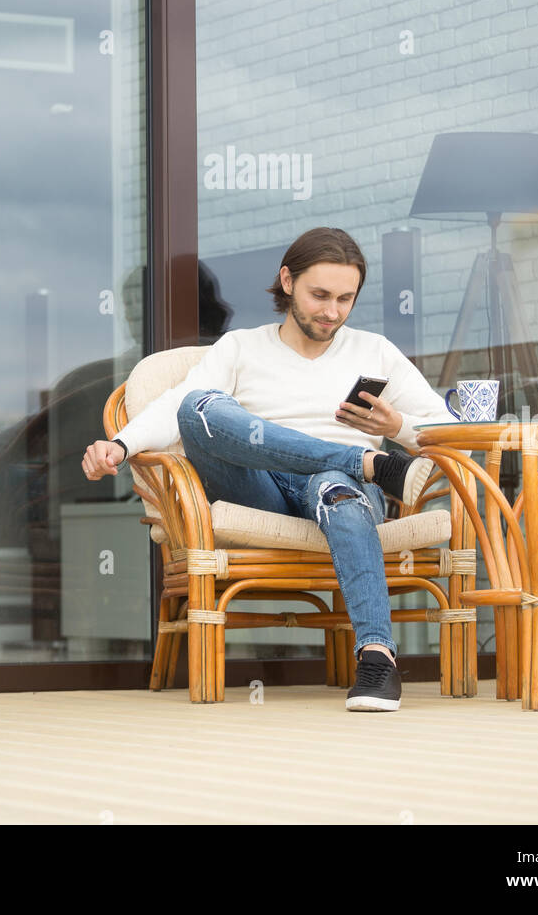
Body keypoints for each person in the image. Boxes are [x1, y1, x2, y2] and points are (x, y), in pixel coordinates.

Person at [82, 227, 452, 713]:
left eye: (345, 299)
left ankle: (377, 659)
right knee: (201, 406)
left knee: (336, 490)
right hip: (260, 487)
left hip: (338, 492)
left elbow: (447, 430)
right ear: (287, 281)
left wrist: (397, 423)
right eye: (320, 295)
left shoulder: (374, 351)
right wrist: (121, 444)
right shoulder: (241, 347)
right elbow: (180, 407)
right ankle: (364, 462)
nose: (332, 312)